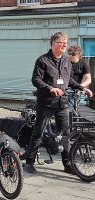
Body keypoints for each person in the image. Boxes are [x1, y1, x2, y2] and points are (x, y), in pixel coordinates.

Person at [23, 32, 93, 174]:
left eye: (66, 42)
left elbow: (68, 80)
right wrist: (50, 88)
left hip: (63, 103)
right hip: (46, 103)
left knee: (66, 134)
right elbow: (36, 79)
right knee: (38, 132)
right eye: (62, 42)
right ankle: (29, 162)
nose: (65, 45)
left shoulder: (67, 60)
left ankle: (67, 165)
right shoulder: (42, 60)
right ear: (54, 43)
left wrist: (82, 87)